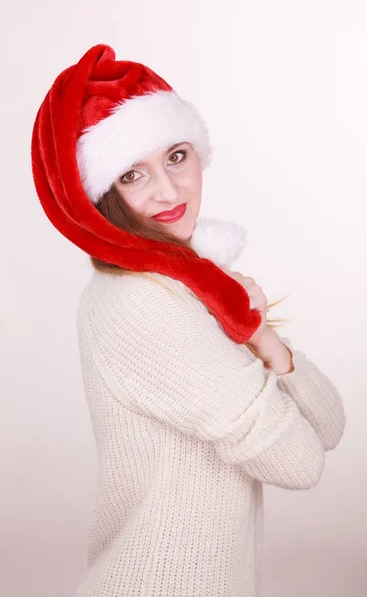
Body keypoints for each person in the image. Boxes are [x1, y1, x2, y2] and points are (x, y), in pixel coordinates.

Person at [31, 43, 346, 597]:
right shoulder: (138, 304)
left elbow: (328, 426)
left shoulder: (199, 287)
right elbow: (299, 463)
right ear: (100, 198)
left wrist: (261, 335)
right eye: (132, 174)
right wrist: (252, 337)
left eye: (176, 156)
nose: (169, 190)